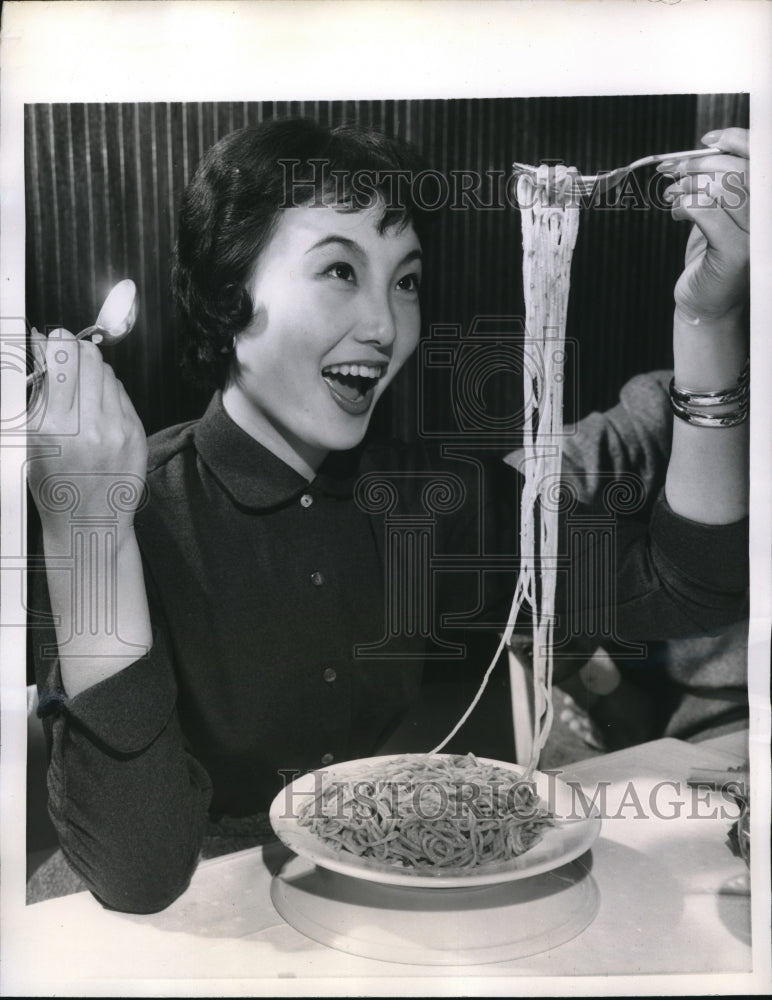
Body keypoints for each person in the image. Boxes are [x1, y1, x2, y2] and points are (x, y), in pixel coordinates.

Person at [27, 119, 750, 913]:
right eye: (340, 270)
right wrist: (87, 532)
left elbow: (693, 587)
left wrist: (706, 323)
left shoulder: (429, 500)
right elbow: (138, 876)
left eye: (405, 281)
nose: (385, 325)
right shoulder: (129, 515)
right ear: (229, 298)